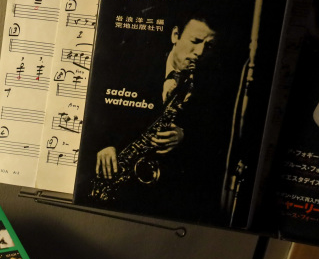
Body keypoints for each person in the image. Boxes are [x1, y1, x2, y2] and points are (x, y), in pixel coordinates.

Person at [87, 14, 223, 222]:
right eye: (195, 41)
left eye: (209, 46)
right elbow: (95, 107)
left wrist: (185, 135)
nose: (200, 52)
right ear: (175, 35)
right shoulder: (133, 65)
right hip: (116, 180)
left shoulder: (213, 86)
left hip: (168, 198)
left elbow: (216, 143)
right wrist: (104, 143)